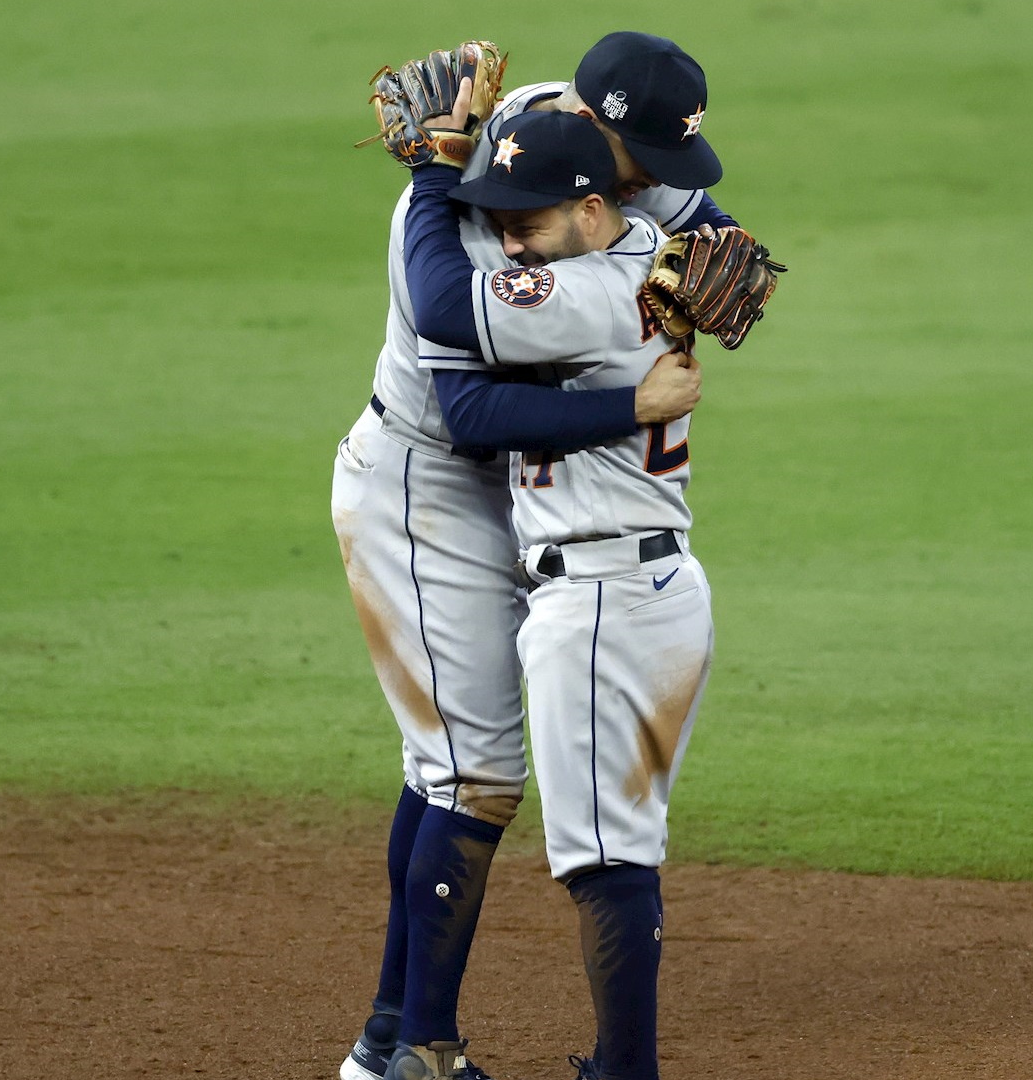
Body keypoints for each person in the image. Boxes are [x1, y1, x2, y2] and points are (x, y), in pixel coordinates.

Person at [334, 31, 738, 1080]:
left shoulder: (596, 171)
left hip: (535, 487)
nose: (655, 189)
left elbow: (723, 246)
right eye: (644, 163)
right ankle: (407, 1047)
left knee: (454, 771)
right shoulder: (475, 204)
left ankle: (395, 1040)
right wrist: (435, 177)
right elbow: (469, 403)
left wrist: (715, 253)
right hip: (431, 475)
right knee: (467, 773)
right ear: (592, 139)